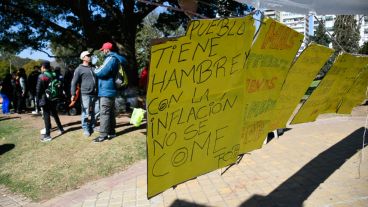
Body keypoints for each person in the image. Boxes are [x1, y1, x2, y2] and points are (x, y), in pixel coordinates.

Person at [94, 42, 127, 142]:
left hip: (106, 90)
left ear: (107, 50)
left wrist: (96, 70)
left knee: (104, 112)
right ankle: (112, 132)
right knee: (110, 112)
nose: (102, 51)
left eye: (103, 50)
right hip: (111, 89)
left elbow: (101, 72)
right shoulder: (115, 58)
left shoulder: (110, 58)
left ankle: (103, 135)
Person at [70, 51, 98, 137]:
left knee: (97, 111)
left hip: (95, 93)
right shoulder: (79, 69)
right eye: (88, 55)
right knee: (85, 113)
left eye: (90, 55)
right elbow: (73, 82)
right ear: (83, 58)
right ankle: (85, 128)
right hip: (85, 94)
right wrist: (73, 93)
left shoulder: (93, 68)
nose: (90, 57)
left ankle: (92, 126)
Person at [36, 61, 64, 142]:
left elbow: (38, 90)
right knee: (54, 113)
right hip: (54, 97)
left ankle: (47, 135)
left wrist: (37, 100)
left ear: (43, 67)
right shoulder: (54, 74)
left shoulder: (42, 76)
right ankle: (61, 128)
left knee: (46, 115)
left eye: (41, 67)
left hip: (45, 98)